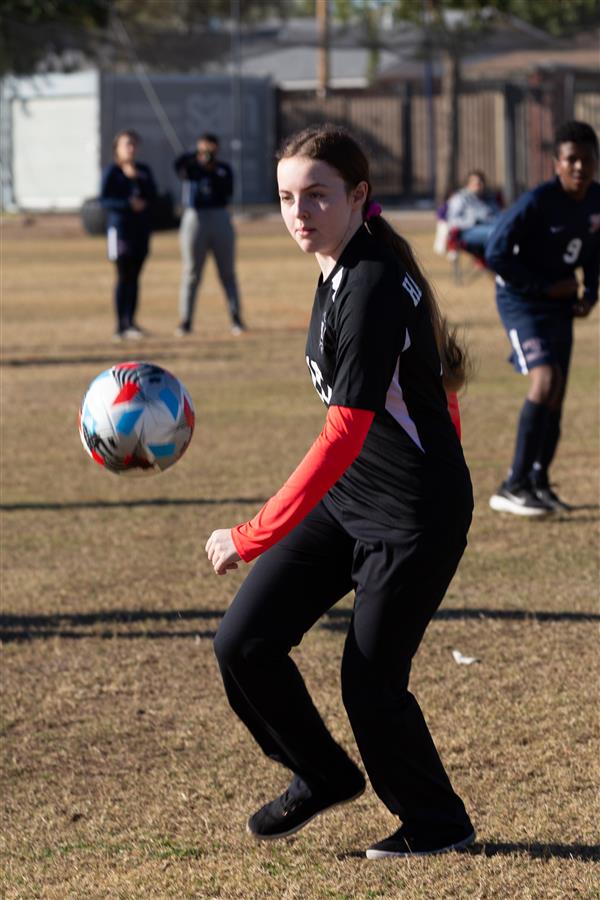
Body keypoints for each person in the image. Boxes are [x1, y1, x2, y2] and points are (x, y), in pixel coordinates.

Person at [205, 124, 476, 859]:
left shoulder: (372, 282)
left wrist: (251, 533)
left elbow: (345, 430)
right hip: (355, 499)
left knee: (370, 684)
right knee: (244, 643)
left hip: (413, 516)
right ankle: (321, 774)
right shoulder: (341, 264)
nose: (301, 211)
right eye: (289, 196)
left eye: (318, 195)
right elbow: (425, 387)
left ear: (359, 196)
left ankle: (438, 824)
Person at [485, 120, 599, 516]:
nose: (580, 168)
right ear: (557, 163)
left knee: (558, 391)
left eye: (587, 160)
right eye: (572, 160)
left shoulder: (596, 201)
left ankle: (538, 481)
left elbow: (595, 251)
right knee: (545, 378)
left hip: (560, 304)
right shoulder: (537, 201)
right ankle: (510, 485)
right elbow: (496, 253)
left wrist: (591, 293)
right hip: (522, 301)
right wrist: (542, 287)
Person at [174, 133, 245, 336]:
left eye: (211, 148)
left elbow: (228, 191)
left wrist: (212, 169)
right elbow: (178, 166)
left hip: (219, 216)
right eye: (204, 148)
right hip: (195, 217)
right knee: (191, 272)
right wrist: (195, 154)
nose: (208, 152)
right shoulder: (191, 167)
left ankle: (236, 318)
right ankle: (185, 321)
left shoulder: (223, 169)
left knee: (227, 273)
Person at [100, 130, 156, 341]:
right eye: (126, 144)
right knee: (123, 275)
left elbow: (153, 195)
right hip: (120, 230)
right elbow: (104, 200)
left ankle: (131, 322)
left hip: (140, 231)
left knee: (135, 277)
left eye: (133, 144)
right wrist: (127, 205)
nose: (131, 148)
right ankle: (120, 325)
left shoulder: (143, 171)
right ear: (117, 148)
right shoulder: (112, 172)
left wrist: (138, 182)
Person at [446, 170, 501, 258]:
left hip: (491, 226)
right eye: (475, 183)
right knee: (496, 233)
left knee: (506, 230)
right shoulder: (460, 198)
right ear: (468, 184)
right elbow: (451, 220)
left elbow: (497, 215)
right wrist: (472, 220)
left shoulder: (490, 197)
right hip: (468, 232)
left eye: (480, 183)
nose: (478, 186)